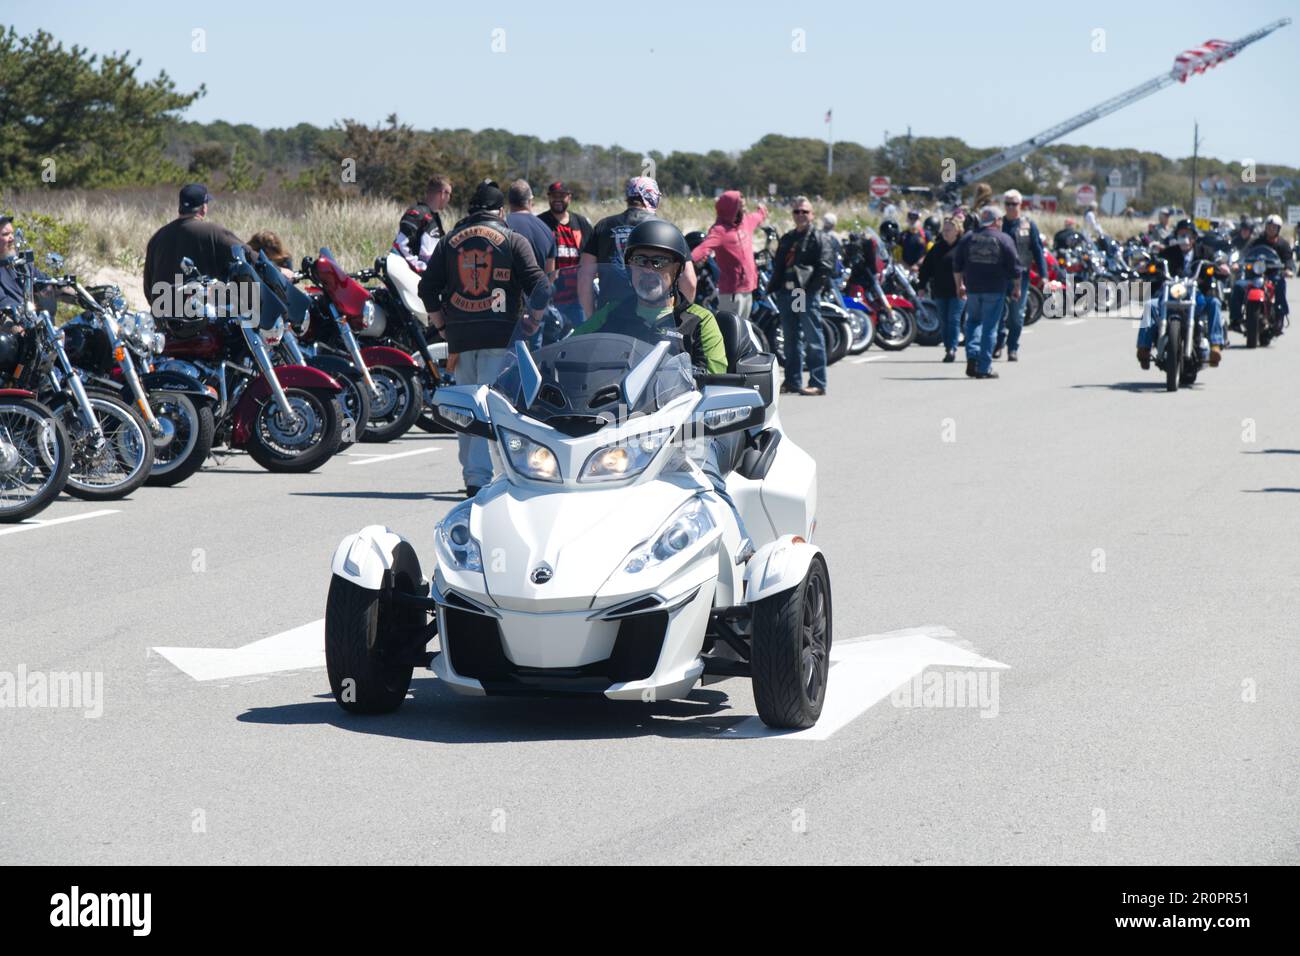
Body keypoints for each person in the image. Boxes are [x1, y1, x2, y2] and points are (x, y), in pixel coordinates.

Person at [572, 218, 753, 557]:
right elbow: (567, 351)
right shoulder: (611, 315)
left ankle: (741, 551)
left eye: (660, 262)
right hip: (614, 425)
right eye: (641, 261)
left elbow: (715, 381)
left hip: (683, 430)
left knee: (704, 478)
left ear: (675, 270)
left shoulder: (699, 321)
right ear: (629, 267)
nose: (649, 270)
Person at [418, 180, 552, 497]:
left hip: (461, 339)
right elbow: (542, 287)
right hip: (502, 337)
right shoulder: (514, 240)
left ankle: (475, 479)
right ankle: (507, 477)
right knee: (500, 411)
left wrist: (441, 328)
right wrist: (533, 320)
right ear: (501, 211)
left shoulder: (449, 241)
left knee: (468, 410)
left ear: (471, 210)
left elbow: (426, 289)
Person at [577, 175, 695, 317]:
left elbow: (584, 276)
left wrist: (592, 317)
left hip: (610, 316)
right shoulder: (667, 230)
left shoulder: (603, 226)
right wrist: (682, 317)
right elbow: (689, 281)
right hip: (654, 318)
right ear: (651, 196)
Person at [142, 184, 243, 320]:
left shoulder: (158, 237)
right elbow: (248, 256)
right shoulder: (214, 233)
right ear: (204, 208)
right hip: (201, 325)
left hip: (164, 324)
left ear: (180, 207)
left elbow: (149, 290)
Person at [1136, 219, 1226, 369]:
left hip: (1198, 296)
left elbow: (1217, 264)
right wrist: (1146, 266)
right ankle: (1143, 349)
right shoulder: (1169, 253)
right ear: (1176, 236)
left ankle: (1215, 346)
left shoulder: (1204, 252)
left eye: (1188, 234)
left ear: (1194, 237)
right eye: (1181, 234)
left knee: (1215, 303)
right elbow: (1155, 262)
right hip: (1172, 294)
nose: (1184, 238)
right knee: (1150, 305)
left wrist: (1221, 267)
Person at [770, 196, 834, 395]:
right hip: (786, 291)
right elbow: (778, 264)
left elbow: (825, 267)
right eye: (797, 211)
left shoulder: (819, 237)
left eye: (804, 212)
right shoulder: (788, 237)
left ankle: (818, 382)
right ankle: (792, 381)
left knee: (812, 337)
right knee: (790, 338)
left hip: (802, 292)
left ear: (812, 214)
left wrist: (810, 290)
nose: (800, 215)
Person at [953, 206, 1020, 379]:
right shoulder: (1003, 238)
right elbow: (1015, 266)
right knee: (990, 327)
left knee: (973, 323)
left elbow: (957, 264)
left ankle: (973, 355)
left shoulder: (968, 238)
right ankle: (984, 368)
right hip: (995, 289)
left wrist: (959, 285)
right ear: (997, 220)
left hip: (973, 288)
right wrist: (1017, 287)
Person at [688, 191, 769, 321]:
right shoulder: (719, 231)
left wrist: (762, 209)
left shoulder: (747, 221)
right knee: (730, 333)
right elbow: (702, 249)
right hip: (731, 292)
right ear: (730, 208)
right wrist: (685, 262)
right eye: (739, 203)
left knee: (743, 331)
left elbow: (759, 215)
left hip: (748, 289)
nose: (743, 204)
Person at [994, 189, 1047, 362]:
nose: (1010, 207)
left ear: (1020, 205)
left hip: (1021, 277)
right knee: (997, 313)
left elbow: (1038, 249)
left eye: (1014, 204)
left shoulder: (1028, 224)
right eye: (1007, 204)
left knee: (1017, 316)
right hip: (999, 275)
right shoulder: (998, 224)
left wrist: (1043, 274)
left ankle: (1013, 348)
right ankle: (998, 343)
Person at [537, 181, 593, 333]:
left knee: (580, 338)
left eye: (562, 196)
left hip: (577, 298)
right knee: (550, 342)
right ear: (548, 198)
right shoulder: (540, 223)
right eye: (554, 196)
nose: (558, 200)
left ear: (569, 197)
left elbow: (591, 255)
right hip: (550, 300)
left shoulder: (581, 223)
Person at [1229, 213, 1294, 331]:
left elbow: (1288, 259)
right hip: (1254, 275)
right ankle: (1235, 319)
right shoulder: (1257, 241)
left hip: (1273, 276)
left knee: (1280, 285)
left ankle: (1279, 317)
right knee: (1238, 286)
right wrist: (1237, 263)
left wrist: (1288, 269)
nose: (1271, 229)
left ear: (1278, 229)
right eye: (1269, 226)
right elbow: (1245, 252)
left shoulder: (1283, 244)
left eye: (1274, 227)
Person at [916, 216, 962, 362]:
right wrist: (922, 286)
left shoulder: (963, 247)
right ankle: (948, 346)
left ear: (957, 231)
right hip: (940, 290)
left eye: (949, 230)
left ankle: (952, 349)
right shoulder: (937, 248)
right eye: (944, 230)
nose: (946, 232)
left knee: (953, 319)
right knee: (943, 320)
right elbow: (925, 269)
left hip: (959, 290)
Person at [393, 175, 452, 273]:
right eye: (449, 194)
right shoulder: (416, 213)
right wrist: (421, 269)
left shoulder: (435, 218)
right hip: (412, 277)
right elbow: (400, 246)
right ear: (442, 194)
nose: (449, 199)